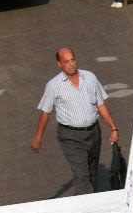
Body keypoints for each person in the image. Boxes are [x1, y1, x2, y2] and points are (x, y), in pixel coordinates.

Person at [29, 47, 122, 194]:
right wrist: (38, 138)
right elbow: (45, 113)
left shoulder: (90, 78)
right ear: (59, 64)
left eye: (72, 59)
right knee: (82, 175)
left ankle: (90, 202)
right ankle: (85, 209)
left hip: (93, 133)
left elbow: (101, 105)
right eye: (66, 61)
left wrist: (114, 128)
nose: (71, 64)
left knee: (92, 172)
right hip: (70, 137)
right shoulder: (54, 85)